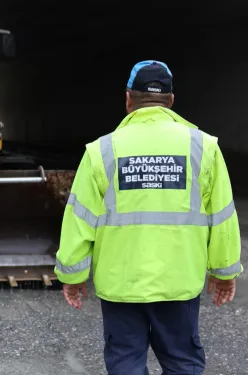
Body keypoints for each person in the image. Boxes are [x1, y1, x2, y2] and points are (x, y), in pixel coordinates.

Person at [54, 60, 243, 375]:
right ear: (170, 101)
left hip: (121, 284)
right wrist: (224, 273)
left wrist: (72, 276)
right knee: (183, 362)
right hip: (179, 282)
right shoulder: (204, 148)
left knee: (125, 361)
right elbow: (222, 218)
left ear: (128, 99)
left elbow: (79, 220)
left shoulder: (101, 151)